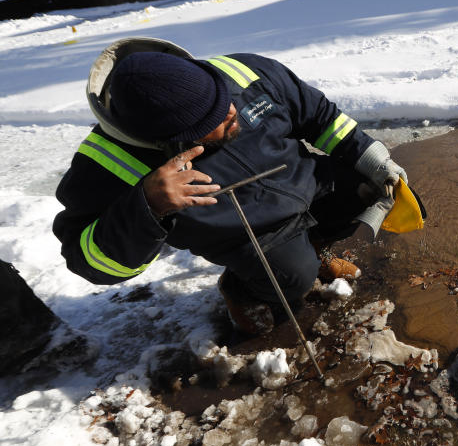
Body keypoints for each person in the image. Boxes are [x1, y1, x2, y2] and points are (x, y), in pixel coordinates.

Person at [53, 38, 407, 334]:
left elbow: (319, 116)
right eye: (213, 119)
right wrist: (148, 206)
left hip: (301, 182)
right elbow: (90, 262)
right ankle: (242, 291)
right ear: (173, 139)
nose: (232, 110)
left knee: (368, 189)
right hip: (244, 233)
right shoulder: (105, 163)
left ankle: (313, 250)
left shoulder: (243, 72)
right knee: (295, 280)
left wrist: (375, 161)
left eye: (223, 99)